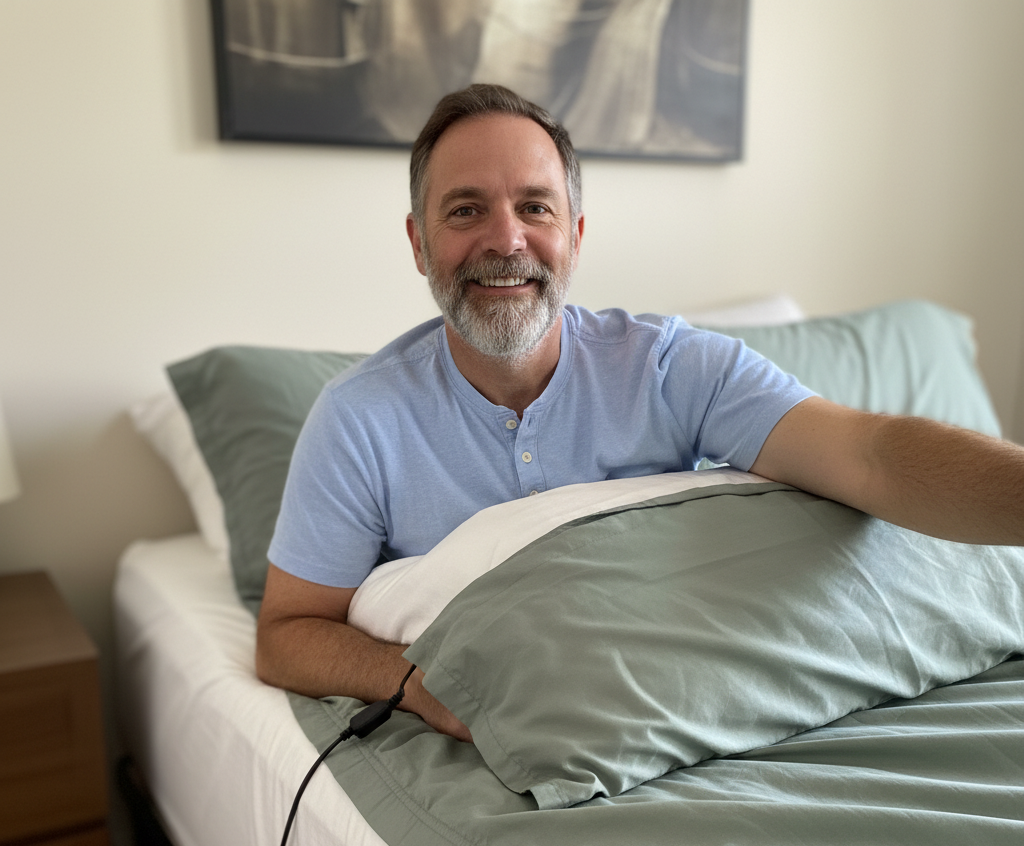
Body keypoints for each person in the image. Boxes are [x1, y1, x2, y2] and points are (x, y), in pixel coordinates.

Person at [256, 84, 1024, 741]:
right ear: (419, 244)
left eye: (535, 207)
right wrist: (420, 686)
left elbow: (869, 456)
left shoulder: (668, 366)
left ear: (574, 237)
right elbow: (286, 635)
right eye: (465, 210)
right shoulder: (358, 419)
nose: (507, 239)